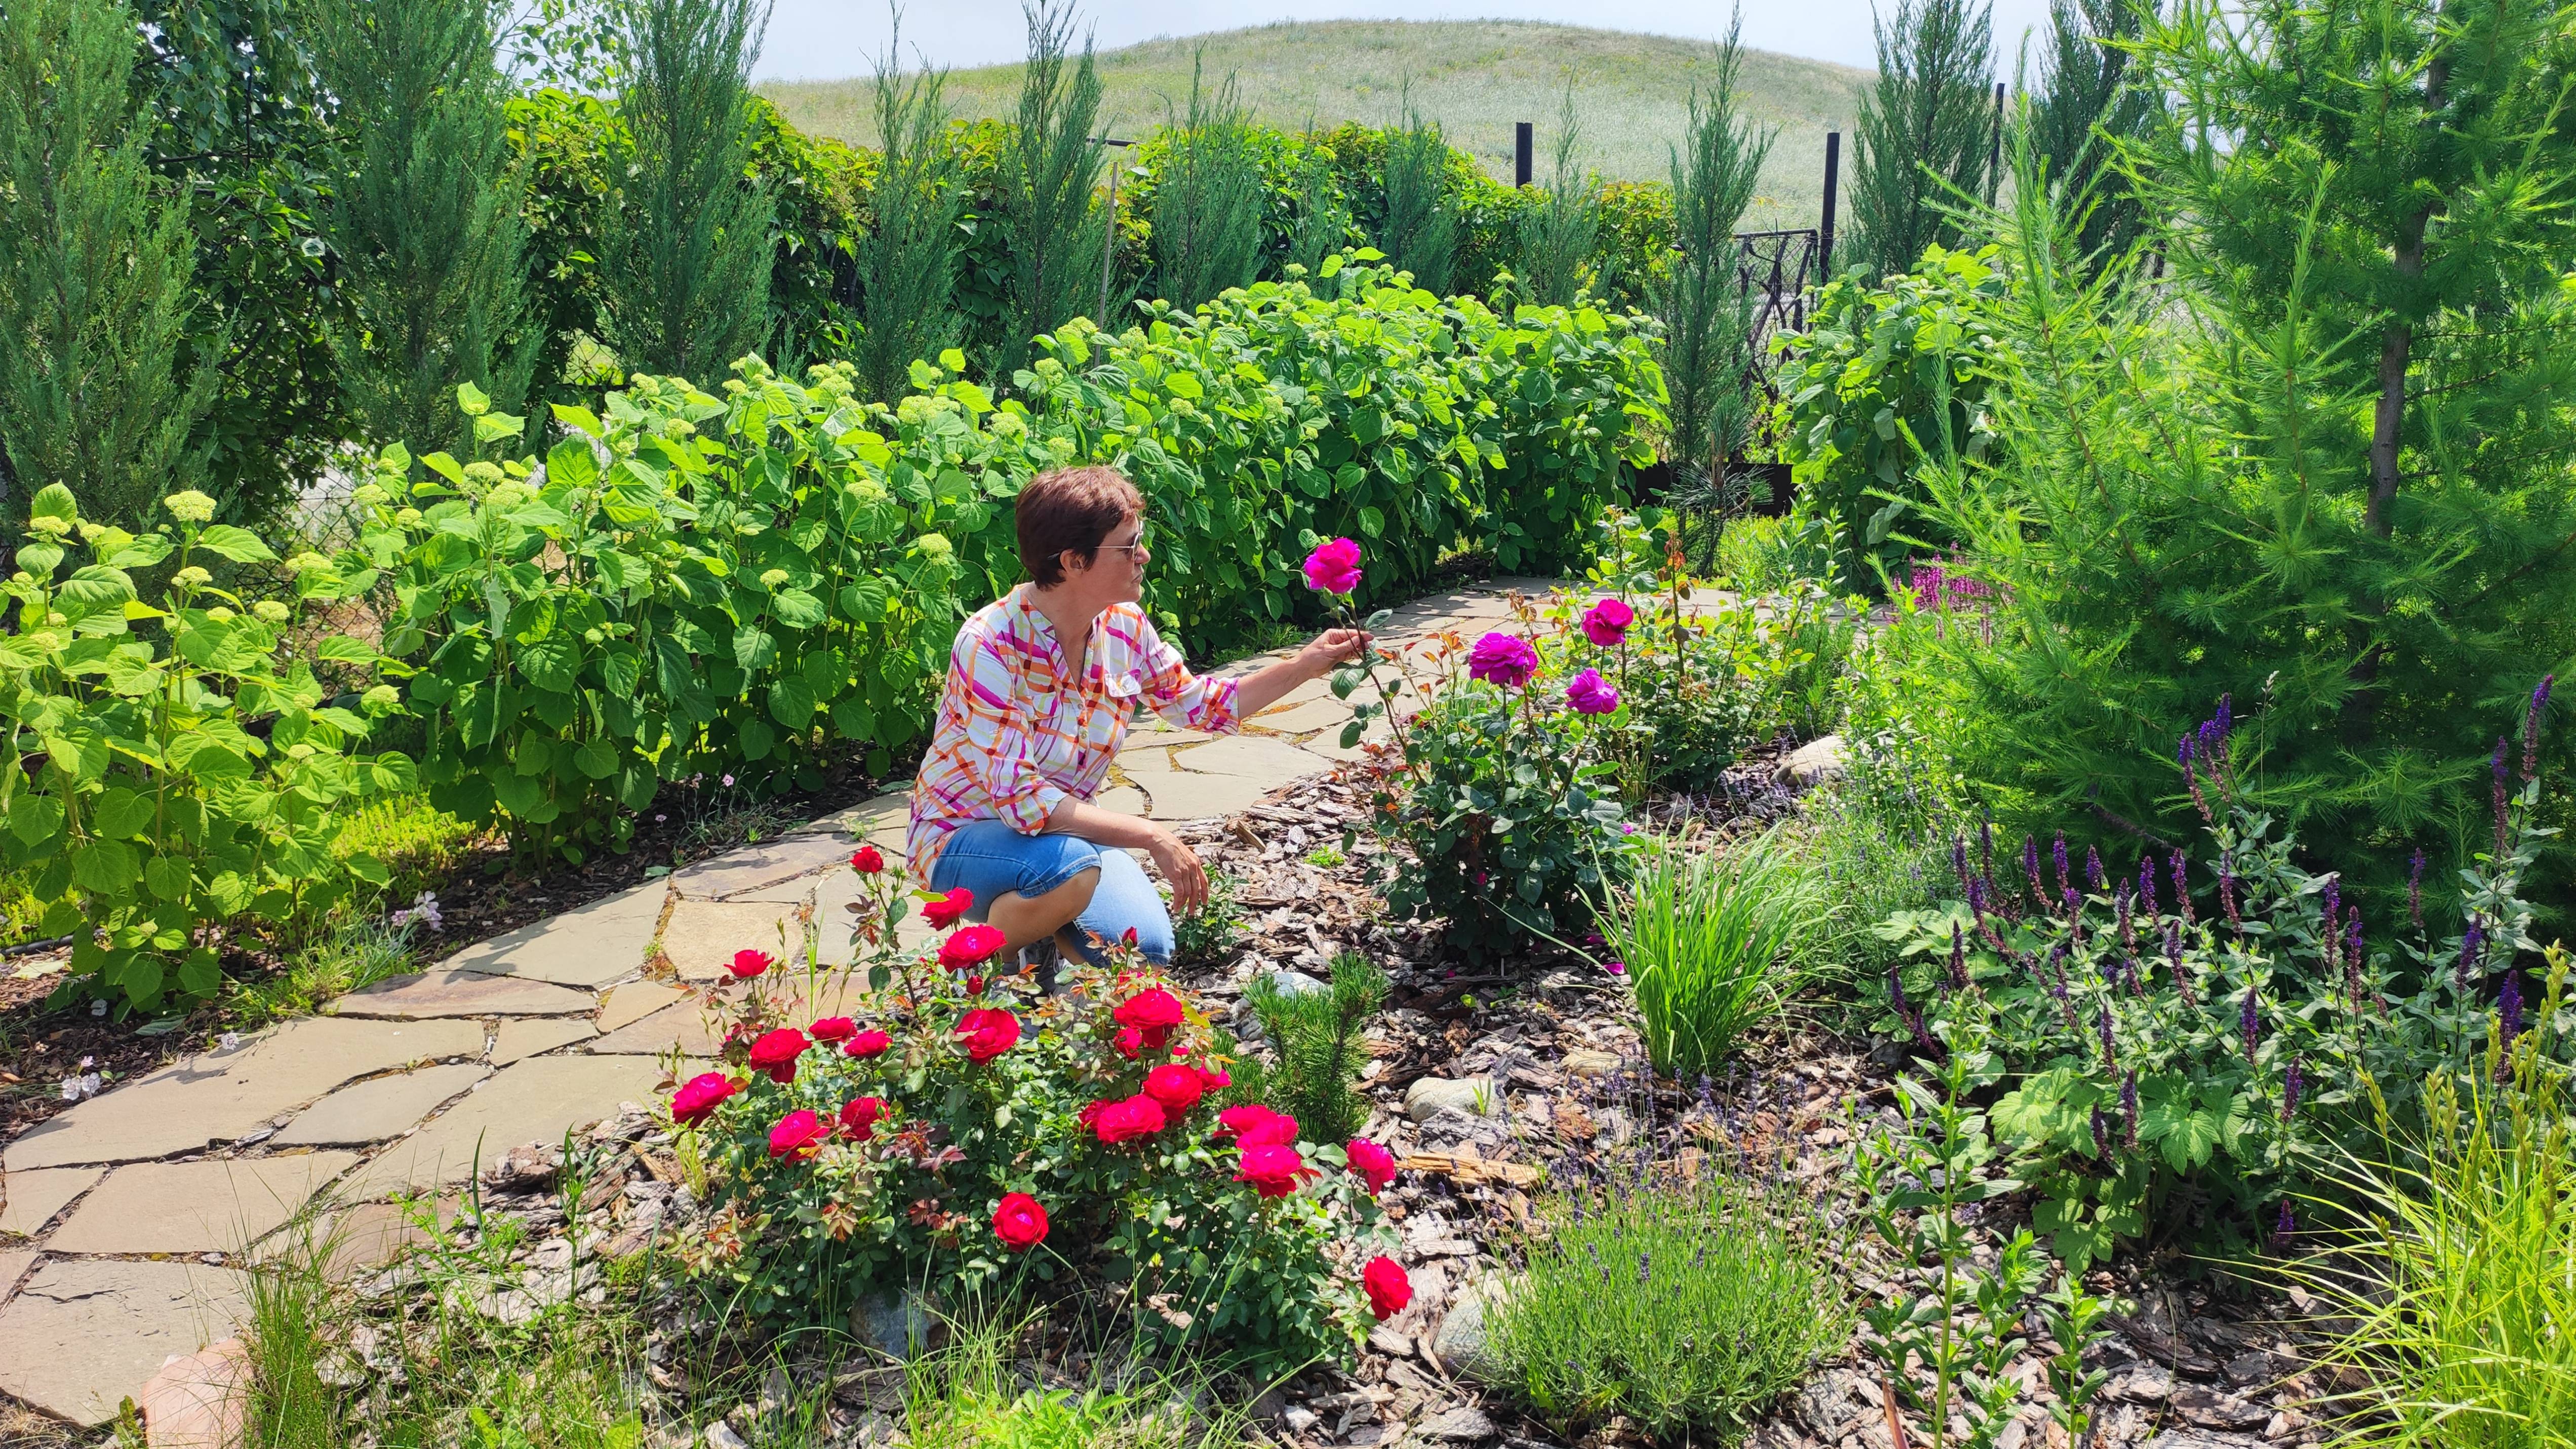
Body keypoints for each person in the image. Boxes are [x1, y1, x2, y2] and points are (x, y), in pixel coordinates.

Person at [904, 465, 1370, 965]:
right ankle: (981, 968)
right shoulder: (989, 644)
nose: (1143, 556)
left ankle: (1037, 926)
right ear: (1073, 561)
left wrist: (1308, 662)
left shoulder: (1124, 626)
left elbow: (1204, 704)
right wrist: (1152, 835)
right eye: (1128, 546)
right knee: (1072, 873)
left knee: (1140, 951)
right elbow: (1022, 802)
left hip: (1064, 841)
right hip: (963, 835)